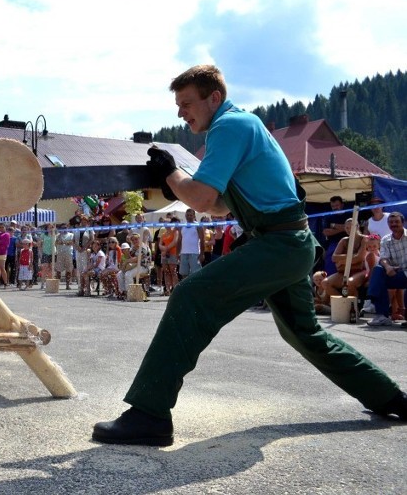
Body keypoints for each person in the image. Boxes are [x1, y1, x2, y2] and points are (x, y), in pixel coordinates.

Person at [92, 64, 407, 447]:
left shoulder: (229, 127)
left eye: (186, 103)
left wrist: (171, 174)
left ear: (214, 98)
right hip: (288, 243)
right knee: (306, 335)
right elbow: (222, 207)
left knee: (191, 296)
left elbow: (204, 199)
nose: (180, 112)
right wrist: (176, 183)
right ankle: (391, 398)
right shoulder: (242, 125)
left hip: (280, 244)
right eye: (177, 105)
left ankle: (149, 413)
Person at [366, 212, 407, 326]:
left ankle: (371, 301)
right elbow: (383, 258)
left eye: (396, 222)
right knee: (379, 270)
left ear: (402, 223)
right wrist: (388, 267)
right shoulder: (385, 239)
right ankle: (382, 316)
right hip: (396, 273)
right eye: (391, 222)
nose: (393, 224)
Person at [322, 196, 349, 275]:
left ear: (342, 205)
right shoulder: (328, 217)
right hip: (333, 243)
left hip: (348, 243)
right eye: (333, 206)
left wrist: (333, 225)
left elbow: (352, 229)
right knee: (330, 261)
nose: (335, 208)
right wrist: (344, 227)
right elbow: (326, 232)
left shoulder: (349, 214)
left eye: (337, 205)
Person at [177, 208, 204, 280]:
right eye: (187, 215)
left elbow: (202, 240)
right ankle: (186, 289)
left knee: (196, 273)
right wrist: (178, 253)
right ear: (185, 216)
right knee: (184, 273)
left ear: (194, 216)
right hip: (183, 253)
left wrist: (202, 254)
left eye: (191, 215)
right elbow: (179, 240)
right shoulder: (182, 226)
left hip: (194, 253)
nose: (189, 216)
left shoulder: (198, 226)